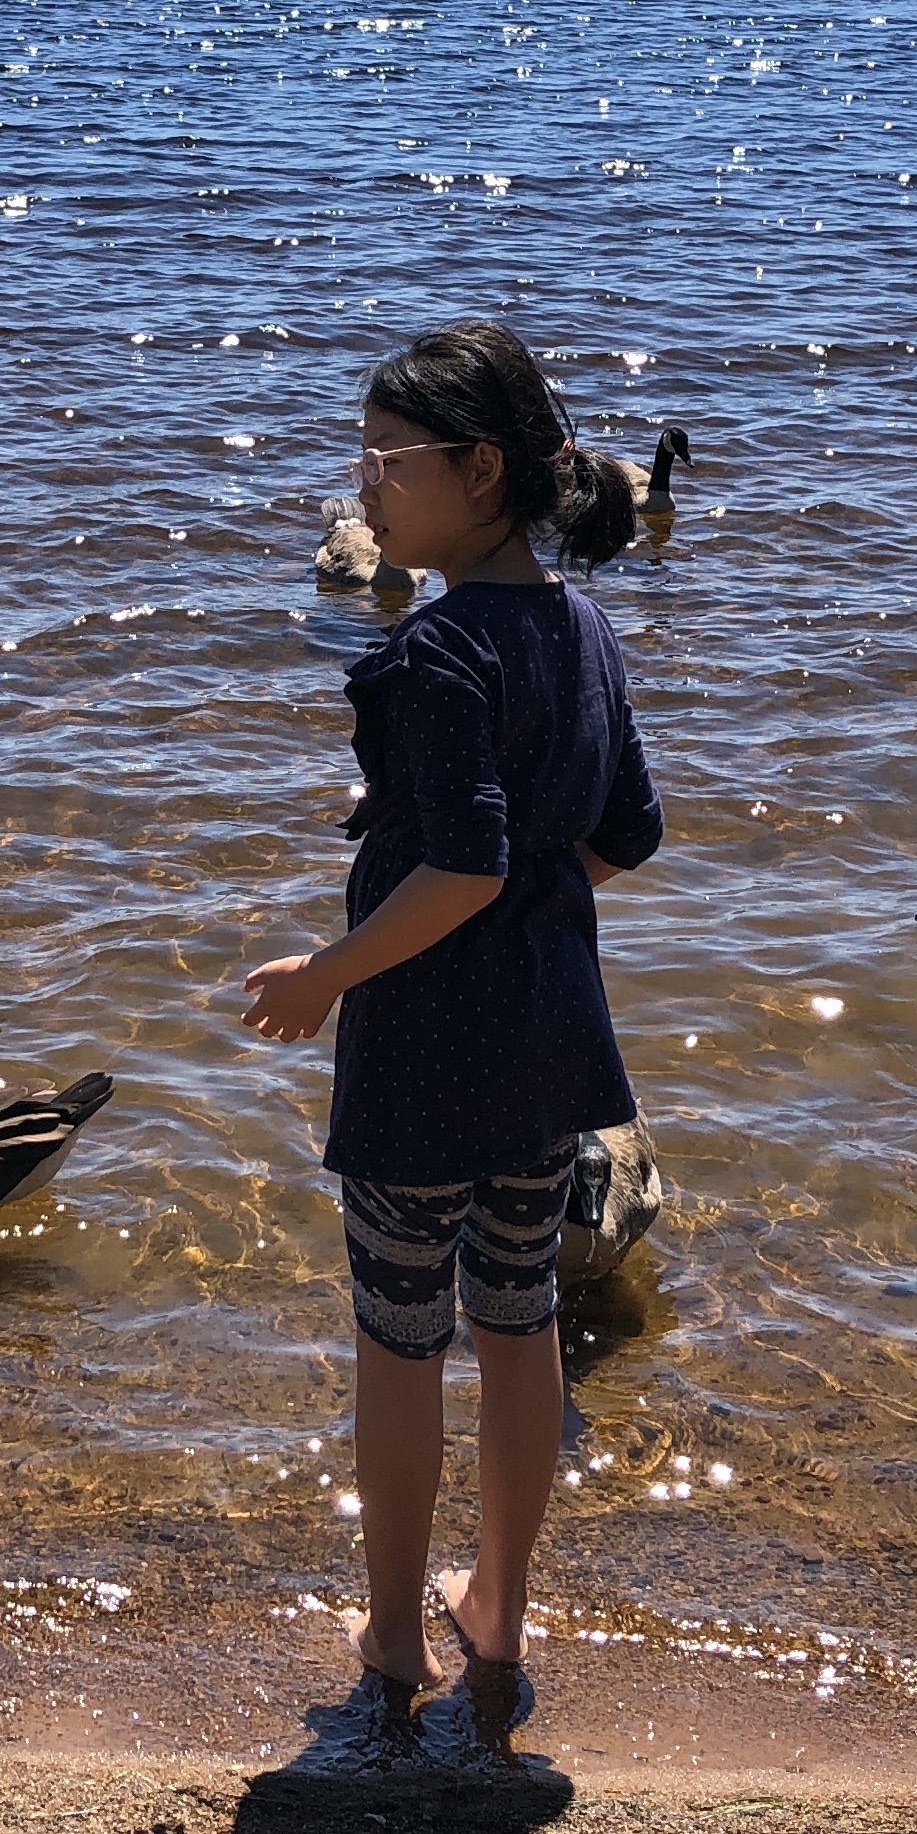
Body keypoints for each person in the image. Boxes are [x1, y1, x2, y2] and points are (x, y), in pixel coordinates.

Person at [240, 318, 663, 1698]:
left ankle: (390, 1632)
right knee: (522, 1319)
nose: (363, 486)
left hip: (426, 1057)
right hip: (553, 1048)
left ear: (479, 471)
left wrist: (328, 975)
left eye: (384, 461)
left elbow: (468, 863)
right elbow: (626, 833)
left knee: (400, 1341)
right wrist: (521, 893)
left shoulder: (432, 652)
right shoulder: (583, 625)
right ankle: (501, 1605)